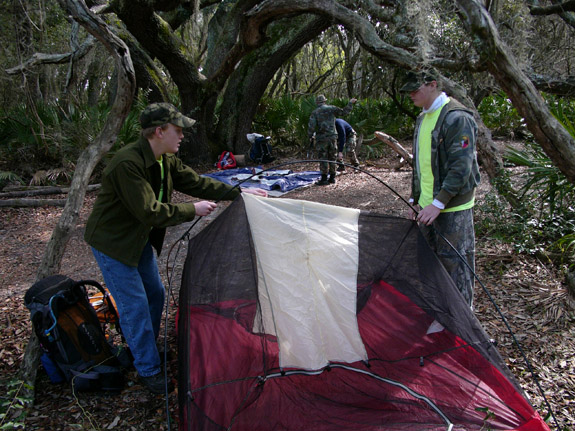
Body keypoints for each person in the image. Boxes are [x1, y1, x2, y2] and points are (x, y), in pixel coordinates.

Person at [84, 102, 267, 394]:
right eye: (178, 130)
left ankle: (143, 349)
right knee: (135, 307)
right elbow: (150, 212)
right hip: (114, 244)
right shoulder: (127, 164)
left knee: (155, 294)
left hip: (138, 239)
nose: (182, 136)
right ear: (159, 131)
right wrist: (192, 209)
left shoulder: (163, 158)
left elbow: (196, 182)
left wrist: (239, 192)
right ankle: (148, 368)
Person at [400, 70, 480, 307]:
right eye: (408, 91)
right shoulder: (423, 118)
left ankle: (461, 323)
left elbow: (461, 167)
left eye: (415, 90)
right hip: (427, 206)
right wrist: (416, 200)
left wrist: (439, 203)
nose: (410, 95)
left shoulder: (457, 118)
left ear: (433, 85)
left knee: (455, 265)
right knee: (430, 263)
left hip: (452, 207)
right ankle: (439, 314)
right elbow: (422, 164)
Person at [307, 95, 357, 185]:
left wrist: (310, 135)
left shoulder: (315, 112)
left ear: (317, 103)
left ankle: (324, 178)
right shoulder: (332, 108)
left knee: (323, 158)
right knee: (332, 156)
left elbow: (311, 126)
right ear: (325, 101)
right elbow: (344, 112)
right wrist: (350, 103)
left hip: (322, 138)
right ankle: (332, 178)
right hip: (333, 137)